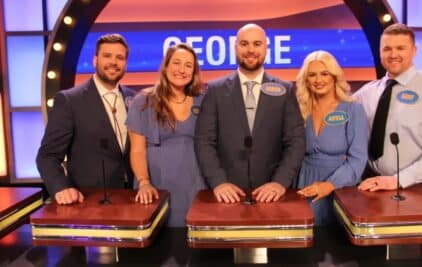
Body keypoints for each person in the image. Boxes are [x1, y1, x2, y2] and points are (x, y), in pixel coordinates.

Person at [195, 23, 305, 204]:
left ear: (266, 48)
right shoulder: (215, 90)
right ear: (235, 47)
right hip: (227, 195)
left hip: (271, 195)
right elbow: (204, 141)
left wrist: (279, 183)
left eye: (257, 44)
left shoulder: (284, 90)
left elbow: (296, 141)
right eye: (244, 44)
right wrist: (219, 182)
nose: (251, 50)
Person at [355, 23, 422, 191]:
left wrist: (399, 180)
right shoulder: (366, 93)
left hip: (416, 187)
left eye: (400, 48)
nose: (393, 54)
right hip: (372, 185)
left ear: (414, 51)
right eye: (387, 49)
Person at [37, 33, 135, 204]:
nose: (113, 62)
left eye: (120, 57)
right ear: (95, 60)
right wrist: (60, 187)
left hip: (132, 199)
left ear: (125, 64)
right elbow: (47, 156)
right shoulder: (69, 100)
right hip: (89, 201)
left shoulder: (134, 99)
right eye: (107, 56)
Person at [126, 43, 206, 227]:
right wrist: (144, 182)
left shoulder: (204, 101)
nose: (182, 70)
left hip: (196, 184)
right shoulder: (143, 101)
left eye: (188, 65)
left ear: (194, 71)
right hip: (156, 184)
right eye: (176, 63)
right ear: (166, 66)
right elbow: (137, 150)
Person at [295, 50, 368, 225]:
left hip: (340, 186)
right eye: (312, 75)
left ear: (334, 76)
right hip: (303, 184)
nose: (318, 80)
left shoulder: (353, 109)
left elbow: (358, 159)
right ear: (306, 80)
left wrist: (329, 185)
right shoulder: (300, 110)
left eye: (324, 73)